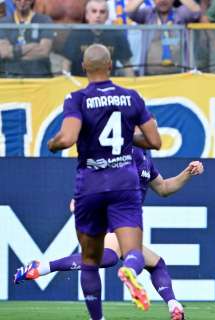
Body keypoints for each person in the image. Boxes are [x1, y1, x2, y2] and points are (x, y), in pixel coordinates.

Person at [14, 144, 203, 320]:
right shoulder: (126, 151)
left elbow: (164, 188)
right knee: (111, 257)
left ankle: (173, 304)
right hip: (110, 217)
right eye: (147, 127)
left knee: (155, 264)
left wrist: (187, 173)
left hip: (124, 220)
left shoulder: (145, 159)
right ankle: (127, 274)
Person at [46, 44, 162, 319]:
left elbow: (67, 139)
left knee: (89, 261)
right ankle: (130, 271)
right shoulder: (131, 97)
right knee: (132, 250)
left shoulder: (77, 98)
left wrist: (53, 143)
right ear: (111, 66)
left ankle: (98, 318)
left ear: (84, 68)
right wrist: (125, 136)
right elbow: (155, 141)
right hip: (124, 180)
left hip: (91, 182)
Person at [126, 0, 201, 75]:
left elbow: (196, 11)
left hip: (179, 75)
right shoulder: (148, 13)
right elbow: (129, 12)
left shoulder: (180, 13)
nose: (163, 1)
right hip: (150, 76)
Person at [62, 0, 134, 77]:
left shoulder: (117, 35)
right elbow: (66, 64)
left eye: (102, 12)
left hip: (107, 84)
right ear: (87, 15)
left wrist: (132, 85)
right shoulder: (76, 34)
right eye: (94, 11)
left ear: (107, 16)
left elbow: (127, 65)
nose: (98, 15)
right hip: (81, 83)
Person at [0, 0, 55, 77]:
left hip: (39, 77)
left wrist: (13, 53)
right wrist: (33, 46)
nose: (22, 2)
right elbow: (4, 52)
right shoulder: (3, 23)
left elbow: (44, 51)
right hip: (11, 78)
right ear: (13, 0)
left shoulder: (45, 20)